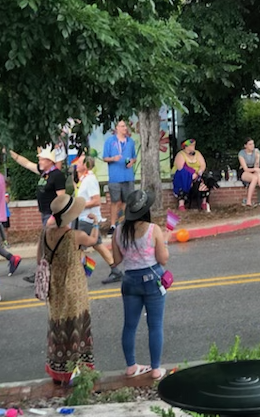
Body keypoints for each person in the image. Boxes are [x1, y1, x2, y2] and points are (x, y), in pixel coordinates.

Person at [112, 190, 170, 381]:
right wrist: (165, 245)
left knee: (129, 326)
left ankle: (131, 366)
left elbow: (117, 259)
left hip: (129, 282)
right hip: (152, 281)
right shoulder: (153, 230)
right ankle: (155, 369)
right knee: (155, 326)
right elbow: (163, 259)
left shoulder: (119, 231)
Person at [41, 194, 97, 384]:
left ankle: (58, 370)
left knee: (58, 326)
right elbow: (93, 241)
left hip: (55, 287)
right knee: (76, 327)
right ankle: (76, 370)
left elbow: (41, 257)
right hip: (74, 287)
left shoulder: (46, 234)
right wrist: (96, 223)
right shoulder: (75, 236)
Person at [74, 155, 123, 284]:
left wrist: (77, 206)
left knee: (75, 246)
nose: (76, 165)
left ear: (85, 165)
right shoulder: (84, 180)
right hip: (86, 219)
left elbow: (96, 201)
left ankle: (86, 267)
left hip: (87, 219)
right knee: (97, 245)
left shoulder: (89, 180)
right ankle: (115, 270)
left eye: (79, 162)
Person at [9, 147, 66, 225]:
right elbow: (27, 164)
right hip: (44, 213)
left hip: (51, 215)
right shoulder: (44, 172)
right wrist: (13, 154)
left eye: (42, 160)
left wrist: (54, 216)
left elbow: (61, 199)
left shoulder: (57, 175)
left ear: (49, 161)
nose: (39, 162)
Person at [103, 120, 138, 234]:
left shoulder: (130, 141)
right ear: (117, 128)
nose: (125, 128)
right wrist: (113, 159)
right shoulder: (110, 141)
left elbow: (134, 157)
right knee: (114, 202)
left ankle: (124, 222)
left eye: (125, 126)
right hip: (115, 177)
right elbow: (105, 158)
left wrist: (131, 162)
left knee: (126, 201)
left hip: (128, 176)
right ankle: (113, 225)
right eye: (122, 126)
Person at [171, 139, 208, 211]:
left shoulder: (197, 153)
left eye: (194, 145)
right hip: (184, 175)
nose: (193, 147)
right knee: (181, 178)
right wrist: (191, 174)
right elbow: (180, 167)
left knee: (204, 181)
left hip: (197, 174)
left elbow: (203, 164)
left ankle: (204, 202)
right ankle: (181, 204)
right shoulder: (180, 154)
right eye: (191, 145)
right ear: (186, 147)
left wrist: (200, 172)